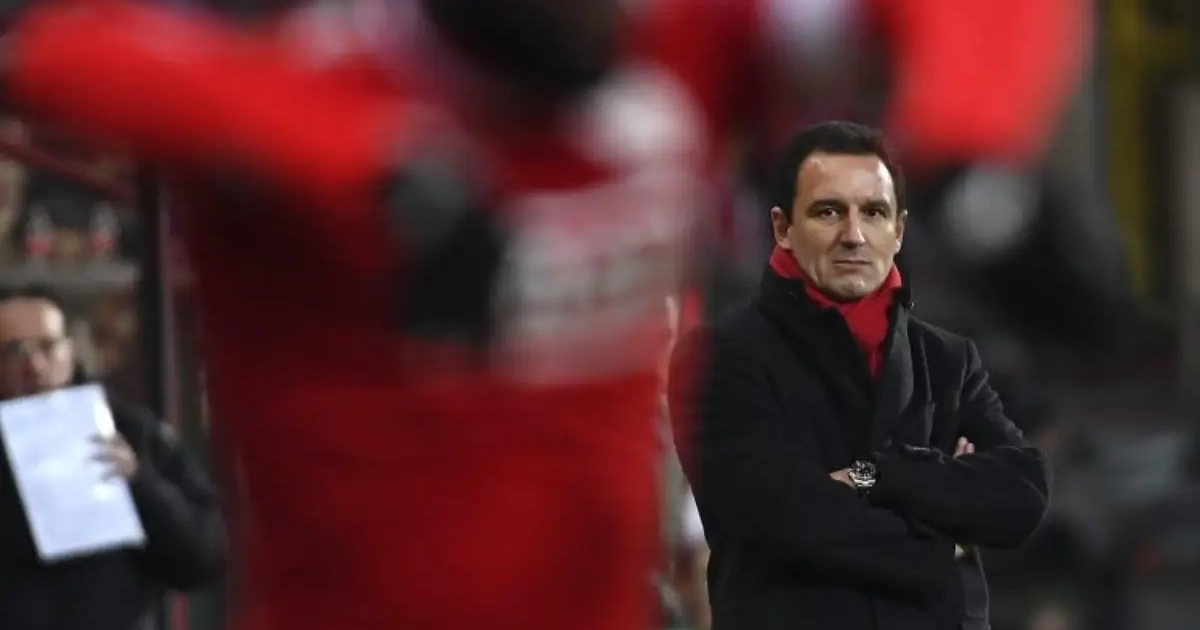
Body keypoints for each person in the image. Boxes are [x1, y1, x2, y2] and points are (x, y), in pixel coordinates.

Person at [0, 1, 1080, 628]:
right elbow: (59, 51)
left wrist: (967, 144)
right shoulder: (325, 78)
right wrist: (370, 167)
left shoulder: (661, 55)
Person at [668, 121, 1051, 630]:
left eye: (873, 212)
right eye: (829, 211)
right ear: (783, 228)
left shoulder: (947, 359)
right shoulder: (720, 357)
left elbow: (1021, 496)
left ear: (898, 230)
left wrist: (878, 475)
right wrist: (946, 539)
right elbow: (782, 520)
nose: (853, 235)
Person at [0, 284, 226, 630]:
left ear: (70, 350)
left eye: (48, 346)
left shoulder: (131, 431)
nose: (34, 365)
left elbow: (202, 556)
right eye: (14, 351)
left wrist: (139, 482)